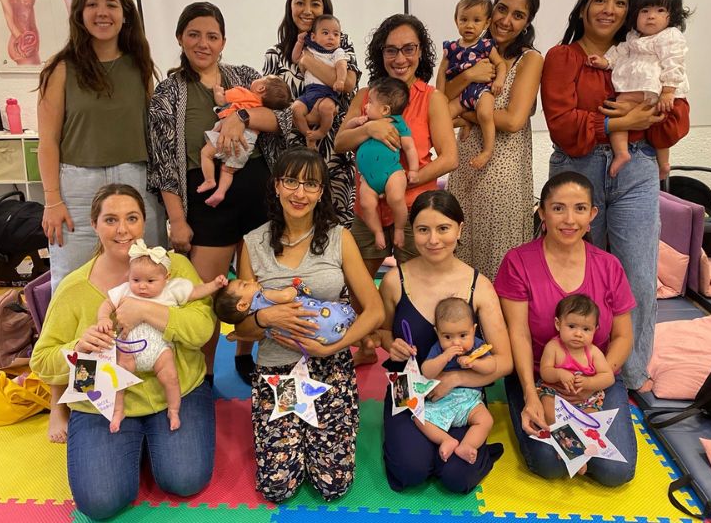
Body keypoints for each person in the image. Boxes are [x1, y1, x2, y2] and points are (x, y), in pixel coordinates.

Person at [540, 0, 690, 392]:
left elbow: (675, 121)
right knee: (578, 272)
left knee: (638, 273)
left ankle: (631, 369)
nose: (610, 10)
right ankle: (571, 363)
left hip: (637, 167)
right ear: (584, 6)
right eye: (601, 0)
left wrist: (643, 117)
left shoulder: (648, 51)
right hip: (578, 168)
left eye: (621, 2)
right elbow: (563, 125)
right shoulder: (562, 57)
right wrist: (625, 120)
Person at [30, 184, 215, 520]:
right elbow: (41, 360)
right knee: (100, 503)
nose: (122, 230)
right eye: (110, 219)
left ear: (144, 222)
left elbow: (202, 329)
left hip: (175, 389)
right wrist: (77, 347)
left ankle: (148, 443)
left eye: (132, 218)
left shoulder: (171, 266)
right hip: (104, 403)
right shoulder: (75, 287)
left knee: (185, 480)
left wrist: (146, 311)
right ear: (94, 224)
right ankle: (132, 445)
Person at [38, 0, 166, 442]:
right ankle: (62, 401)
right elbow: (47, 141)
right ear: (80, 13)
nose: (102, 12)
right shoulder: (61, 69)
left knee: (146, 278)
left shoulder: (139, 65)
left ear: (125, 13)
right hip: (77, 184)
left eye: (111, 3)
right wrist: (52, 200)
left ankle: (143, 377)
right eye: (92, 4)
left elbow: (156, 132)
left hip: (136, 179)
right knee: (71, 291)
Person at [226, 147, 383, 502]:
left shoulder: (339, 238)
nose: (300, 193)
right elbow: (243, 328)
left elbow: (374, 310)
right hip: (277, 372)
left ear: (321, 191)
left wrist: (333, 347)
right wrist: (265, 317)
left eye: (311, 184)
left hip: (330, 366)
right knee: (278, 487)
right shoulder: (253, 243)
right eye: (291, 182)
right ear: (276, 186)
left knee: (333, 484)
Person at [149, 2, 284, 383]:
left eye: (212, 36)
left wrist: (242, 116)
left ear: (223, 41)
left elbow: (282, 119)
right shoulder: (168, 92)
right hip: (207, 200)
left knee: (256, 287)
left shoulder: (246, 77)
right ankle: (202, 374)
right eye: (194, 34)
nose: (203, 43)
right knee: (204, 295)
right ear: (180, 38)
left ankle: (245, 353)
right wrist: (177, 220)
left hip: (257, 192)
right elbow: (162, 162)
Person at [495, 171, 637, 485]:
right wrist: (530, 394)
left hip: (596, 376)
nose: (569, 219)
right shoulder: (518, 262)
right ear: (542, 213)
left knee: (615, 471)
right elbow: (518, 334)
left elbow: (623, 335)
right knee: (551, 465)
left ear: (593, 214)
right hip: (539, 379)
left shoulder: (608, 265)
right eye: (558, 208)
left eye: (580, 208)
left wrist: (596, 379)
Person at [335, 13, 458, 366]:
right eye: (391, 50)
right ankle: (368, 342)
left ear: (420, 52)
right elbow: (341, 142)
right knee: (355, 278)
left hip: (414, 209)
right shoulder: (366, 95)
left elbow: (449, 157)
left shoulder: (431, 98)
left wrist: (408, 179)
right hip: (368, 208)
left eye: (408, 49)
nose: (400, 58)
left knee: (416, 287)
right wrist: (369, 130)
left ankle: (413, 354)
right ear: (380, 53)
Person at [379, 190, 511, 493]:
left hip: (462, 394)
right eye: (423, 230)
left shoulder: (479, 286)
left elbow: (505, 361)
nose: (433, 240)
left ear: (459, 229)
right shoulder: (394, 280)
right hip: (407, 387)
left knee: (457, 477)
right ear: (412, 231)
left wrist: (456, 378)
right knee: (410, 471)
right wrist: (390, 344)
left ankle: (476, 452)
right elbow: (382, 332)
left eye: (443, 228)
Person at [445, 0, 544, 282]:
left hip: (503, 177)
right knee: (459, 260)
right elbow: (441, 102)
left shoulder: (530, 59)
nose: (506, 20)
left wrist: (466, 113)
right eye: (502, 9)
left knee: (500, 265)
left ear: (527, 22)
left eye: (518, 15)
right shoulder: (466, 52)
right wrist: (469, 76)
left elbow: (513, 121)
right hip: (464, 168)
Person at [97, 239, 228, 433]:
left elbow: (195, 292)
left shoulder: (171, 290)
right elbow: (108, 303)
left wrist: (214, 285)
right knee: (118, 378)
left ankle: (173, 410)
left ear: (166, 277)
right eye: (136, 280)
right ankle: (118, 411)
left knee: (171, 377)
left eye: (150, 281)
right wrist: (102, 318)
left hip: (160, 350)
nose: (142, 286)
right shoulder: (125, 290)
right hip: (129, 349)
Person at [263, 0, 361, 226]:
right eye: (300, 3)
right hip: (291, 166)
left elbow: (347, 84)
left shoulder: (339, 42)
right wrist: (306, 117)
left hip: (335, 159)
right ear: (290, 6)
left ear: (325, 8)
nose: (307, 10)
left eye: (315, 4)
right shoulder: (275, 54)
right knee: (293, 236)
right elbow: (269, 107)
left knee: (338, 235)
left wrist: (308, 61)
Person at [587, 0, 691, 179]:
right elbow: (619, 53)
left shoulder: (669, 36)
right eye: (644, 11)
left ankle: (650, 160)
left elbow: (674, 63)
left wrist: (668, 91)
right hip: (636, 86)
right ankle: (637, 157)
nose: (651, 16)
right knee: (630, 118)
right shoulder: (633, 37)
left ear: (673, 15)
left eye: (660, 10)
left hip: (655, 88)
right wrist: (605, 61)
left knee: (628, 116)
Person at [342, 77, 419, 251]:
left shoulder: (399, 124)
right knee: (366, 205)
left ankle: (399, 229)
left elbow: (409, 148)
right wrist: (355, 123)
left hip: (392, 172)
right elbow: (346, 134)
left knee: (396, 198)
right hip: (367, 179)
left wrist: (414, 170)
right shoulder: (366, 122)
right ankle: (377, 232)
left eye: (370, 102)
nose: (366, 105)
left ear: (385, 110)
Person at [417, 297, 495, 465]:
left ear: (473, 330)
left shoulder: (477, 346)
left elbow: (491, 366)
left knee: (486, 420)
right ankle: (446, 440)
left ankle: (467, 445)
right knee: (418, 417)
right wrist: (444, 357)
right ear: (437, 332)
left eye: (463, 335)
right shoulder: (439, 349)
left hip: (470, 402)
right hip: (442, 401)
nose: (456, 342)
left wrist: (474, 363)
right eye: (447, 337)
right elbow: (427, 371)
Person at [436, 0, 506, 169]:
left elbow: (500, 64)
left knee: (485, 114)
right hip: (461, 95)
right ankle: (463, 122)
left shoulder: (486, 45)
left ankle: (487, 151)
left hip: (482, 90)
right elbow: (442, 72)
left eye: (476, 20)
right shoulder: (451, 47)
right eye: (464, 19)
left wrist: (499, 80)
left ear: (486, 23)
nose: (469, 25)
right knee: (440, 117)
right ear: (456, 20)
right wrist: (440, 96)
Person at [198, 75, 292, 207]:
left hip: (229, 137)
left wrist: (217, 90)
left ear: (261, 88)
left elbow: (221, 101)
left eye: (262, 78)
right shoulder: (264, 108)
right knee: (227, 170)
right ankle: (220, 192)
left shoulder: (243, 93)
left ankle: (209, 180)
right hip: (247, 145)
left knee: (206, 153)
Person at [538, 294, 614, 426]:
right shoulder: (553, 347)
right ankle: (556, 428)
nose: (578, 334)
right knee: (547, 407)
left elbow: (608, 377)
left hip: (586, 397)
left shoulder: (593, 352)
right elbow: (544, 372)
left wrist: (589, 382)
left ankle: (580, 431)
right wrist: (558, 373)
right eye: (572, 326)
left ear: (595, 330)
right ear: (558, 324)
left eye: (586, 329)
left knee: (592, 420)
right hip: (555, 392)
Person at [212, 276, 356, 345]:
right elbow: (286, 296)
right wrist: (295, 288)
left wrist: (240, 335)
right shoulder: (262, 296)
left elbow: (256, 336)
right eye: (244, 285)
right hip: (325, 317)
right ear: (243, 305)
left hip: (321, 338)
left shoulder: (261, 325)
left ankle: (237, 336)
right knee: (350, 316)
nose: (250, 281)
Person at [290, 14, 349, 148]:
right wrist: (300, 42)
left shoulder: (337, 52)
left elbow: (341, 66)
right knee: (296, 109)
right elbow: (295, 58)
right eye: (325, 33)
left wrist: (340, 80)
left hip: (326, 92)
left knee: (327, 108)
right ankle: (308, 135)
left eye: (336, 34)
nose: (331, 37)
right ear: (313, 37)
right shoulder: (310, 49)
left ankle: (321, 132)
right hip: (309, 92)